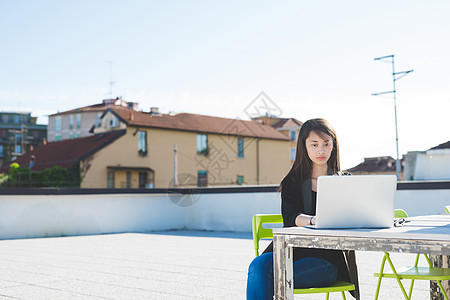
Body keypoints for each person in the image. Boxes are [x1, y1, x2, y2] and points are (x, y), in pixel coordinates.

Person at [246, 118, 360, 300]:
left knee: (267, 277)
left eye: (326, 144)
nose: (320, 150)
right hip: (291, 250)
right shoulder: (292, 182)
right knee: (258, 267)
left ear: (333, 146)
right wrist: (314, 220)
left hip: (326, 260)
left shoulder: (344, 181)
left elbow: (355, 215)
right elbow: (291, 218)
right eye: (314, 144)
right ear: (304, 147)